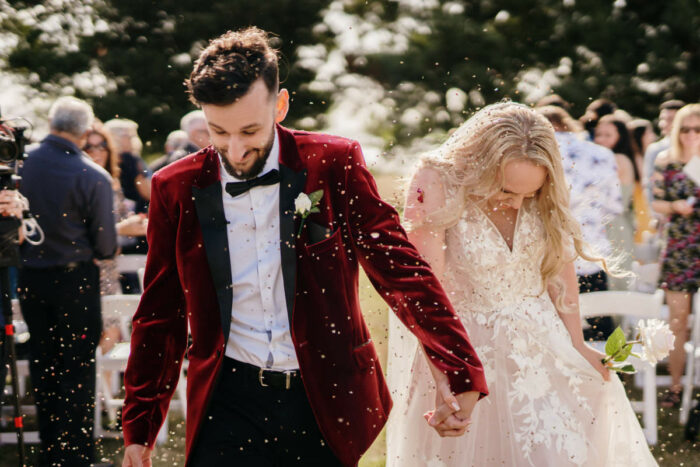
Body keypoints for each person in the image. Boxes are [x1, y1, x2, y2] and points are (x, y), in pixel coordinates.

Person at [121, 27, 487, 467]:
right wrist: (139, 428)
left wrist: (458, 367)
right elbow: (160, 311)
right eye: (219, 132)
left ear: (281, 104)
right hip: (227, 398)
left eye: (250, 131)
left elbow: (402, 270)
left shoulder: (333, 163)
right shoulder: (175, 187)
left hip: (324, 397)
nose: (234, 151)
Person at [387, 102, 656, 466]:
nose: (517, 204)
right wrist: (450, 374)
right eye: (507, 191)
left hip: (542, 344)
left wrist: (577, 343)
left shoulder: (542, 185)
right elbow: (426, 291)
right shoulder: (436, 179)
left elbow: (559, 267)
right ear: (479, 165)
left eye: (529, 195)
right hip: (462, 347)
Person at [18, 96, 117, 466]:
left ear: (51, 122)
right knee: (77, 366)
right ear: (85, 129)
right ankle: (76, 454)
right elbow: (106, 246)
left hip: (31, 278)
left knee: (44, 361)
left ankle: (49, 449)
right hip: (75, 281)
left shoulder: (20, 164)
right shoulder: (92, 174)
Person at [537, 105, 622, 339]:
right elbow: (614, 206)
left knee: (554, 327)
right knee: (601, 325)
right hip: (590, 252)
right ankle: (609, 373)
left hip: (547, 254)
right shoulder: (601, 154)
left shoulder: (536, 153)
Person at [650, 103, 700, 408]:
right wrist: (676, 206)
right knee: (677, 321)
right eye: (686, 129)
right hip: (680, 247)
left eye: (697, 129)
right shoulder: (665, 160)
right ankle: (676, 386)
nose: (692, 135)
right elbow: (656, 203)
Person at [594, 114, 639, 289]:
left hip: (613, 225)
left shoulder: (618, 159)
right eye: (599, 134)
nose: (601, 139)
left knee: (613, 278)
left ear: (620, 137)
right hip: (604, 224)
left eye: (608, 135)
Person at [644, 99, 686, 206]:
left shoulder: (694, 146)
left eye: (670, 119)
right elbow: (649, 185)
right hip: (665, 211)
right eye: (662, 119)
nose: (664, 124)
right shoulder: (655, 149)